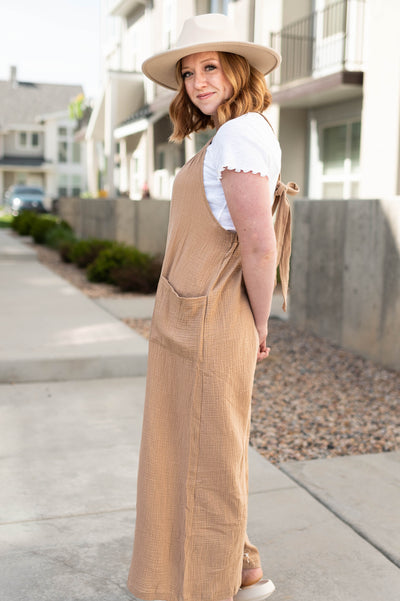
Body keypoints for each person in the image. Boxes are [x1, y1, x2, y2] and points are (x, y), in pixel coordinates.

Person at [127, 12, 297, 601]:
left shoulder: (242, 133)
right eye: (188, 71)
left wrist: (256, 325)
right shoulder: (227, 134)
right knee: (193, 447)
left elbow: (257, 240)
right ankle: (244, 566)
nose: (198, 81)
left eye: (210, 67)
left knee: (208, 454)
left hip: (212, 321)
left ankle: (209, 583)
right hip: (191, 318)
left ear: (238, 70)